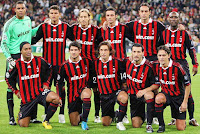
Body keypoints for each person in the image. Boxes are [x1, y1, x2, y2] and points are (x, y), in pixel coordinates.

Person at [31, 5, 74, 123]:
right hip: (46, 67)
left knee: (61, 89)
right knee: (46, 90)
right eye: (52, 13)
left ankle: (61, 114)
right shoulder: (44, 27)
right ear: (48, 15)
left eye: (56, 13)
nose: (54, 15)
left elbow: (75, 38)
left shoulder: (65, 27)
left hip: (60, 66)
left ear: (59, 14)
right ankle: (46, 113)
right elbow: (34, 40)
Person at [5, 42, 61, 129]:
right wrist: (16, 91)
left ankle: (46, 120)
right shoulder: (17, 64)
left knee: (56, 99)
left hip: (39, 93)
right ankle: (21, 115)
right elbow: (8, 78)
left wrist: (46, 83)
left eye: (29, 48)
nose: (28, 51)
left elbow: (49, 69)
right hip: (27, 98)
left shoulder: (39, 60)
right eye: (25, 49)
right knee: (24, 125)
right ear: (21, 51)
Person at [1, 1, 40, 125]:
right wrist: (9, 59)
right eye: (18, 8)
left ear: (25, 9)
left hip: (27, 56)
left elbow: (31, 33)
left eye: (23, 8)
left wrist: (42, 27)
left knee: (31, 84)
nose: (21, 10)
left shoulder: (28, 20)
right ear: (15, 9)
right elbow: (4, 43)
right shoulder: (9, 24)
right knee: (10, 87)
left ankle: (33, 116)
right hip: (14, 57)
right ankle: (11, 117)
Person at [159, 11, 199, 126]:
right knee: (171, 91)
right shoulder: (164, 33)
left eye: (175, 17)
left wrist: (195, 64)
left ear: (179, 19)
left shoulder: (184, 33)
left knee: (188, 91)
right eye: (171, 17)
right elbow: (159, 47)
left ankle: (191, 118)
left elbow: (191, 49)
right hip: (169, 65)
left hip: (181, 64)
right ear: (168, 19)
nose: (173, 19)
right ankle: (174, 118)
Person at [71, 8, 102, 123]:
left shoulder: (95, 30)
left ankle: (97, 115)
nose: (83, 19)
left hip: (92, 66)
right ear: (78, 18)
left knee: (95, 90)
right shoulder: (74, 29)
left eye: (85, 17)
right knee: (79, 89)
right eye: (81, 17)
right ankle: (80, 113)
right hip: (78, 66)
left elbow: (101, 43)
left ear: (89, 18)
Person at [153, 45, 191, 132]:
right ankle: (161, 125)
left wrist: (185, 102)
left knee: (180, 128)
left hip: (178, 97)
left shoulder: (177, 67)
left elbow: (188, 85)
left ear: (169, 55)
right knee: (158, 98)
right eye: (160, 55)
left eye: (164, 55)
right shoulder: (155, 65)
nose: (161, 58)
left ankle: (178, 118)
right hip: (166, 95)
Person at [56, 41, 93, 130]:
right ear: (69, 51)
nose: (73, 52)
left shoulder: (86, 61)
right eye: (72, 50)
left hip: (84, 90)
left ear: (79, 51)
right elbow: (60, 83)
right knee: (74, 123)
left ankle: (84, 121)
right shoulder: (64, 66)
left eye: (75, 50)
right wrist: (60, 97)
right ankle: (82, 116)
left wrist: (90, 86)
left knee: (87, 94)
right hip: (72, 95)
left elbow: (92, 74)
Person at [94, 41, 128, 130]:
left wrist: (124, 89)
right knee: (105, 123)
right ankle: (116, 114)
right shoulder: (95, 63)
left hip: (115, 92)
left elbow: (124, 78)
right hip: (104, 95)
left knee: (124, 97)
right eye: (101, 50)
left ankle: (120, 121)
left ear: (110, 51)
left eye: (105, 50)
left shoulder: (117, 62)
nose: (103, 52)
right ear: (99, 51)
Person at [124, 43, 159, 133]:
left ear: (143, 53)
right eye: (134, 52)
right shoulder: (127, 61)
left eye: (138, 52)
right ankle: (145, 115)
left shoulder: (149, 66)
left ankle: (149, 123)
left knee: (149, 95)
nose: (136, 54)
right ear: (131, 52)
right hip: (133, 96)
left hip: (144, 94)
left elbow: (156, 84)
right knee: (136, 125)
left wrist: (144, 91)